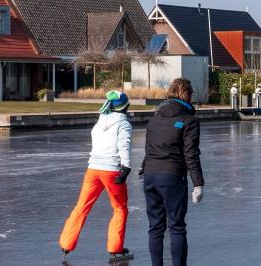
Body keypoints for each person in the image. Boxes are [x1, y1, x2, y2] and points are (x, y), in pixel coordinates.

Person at [59, 91, 133, 261]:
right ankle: (115, 247)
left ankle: (66, 243)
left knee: (82, 206)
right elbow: (124, 146)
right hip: (112, 171)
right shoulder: (124, 124)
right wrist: (126, 168)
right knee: (119, 208)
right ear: (124, 107)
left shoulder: (99, 122)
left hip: (93, 170)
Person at [140, 78, 204, 266]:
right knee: (176, 227)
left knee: (155, 228)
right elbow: (191, 153)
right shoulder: (189, 121)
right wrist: (198, 183)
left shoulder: (154, 119)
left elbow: (148, 148)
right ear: (188, 95)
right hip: (172, 176)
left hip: (150, 175)